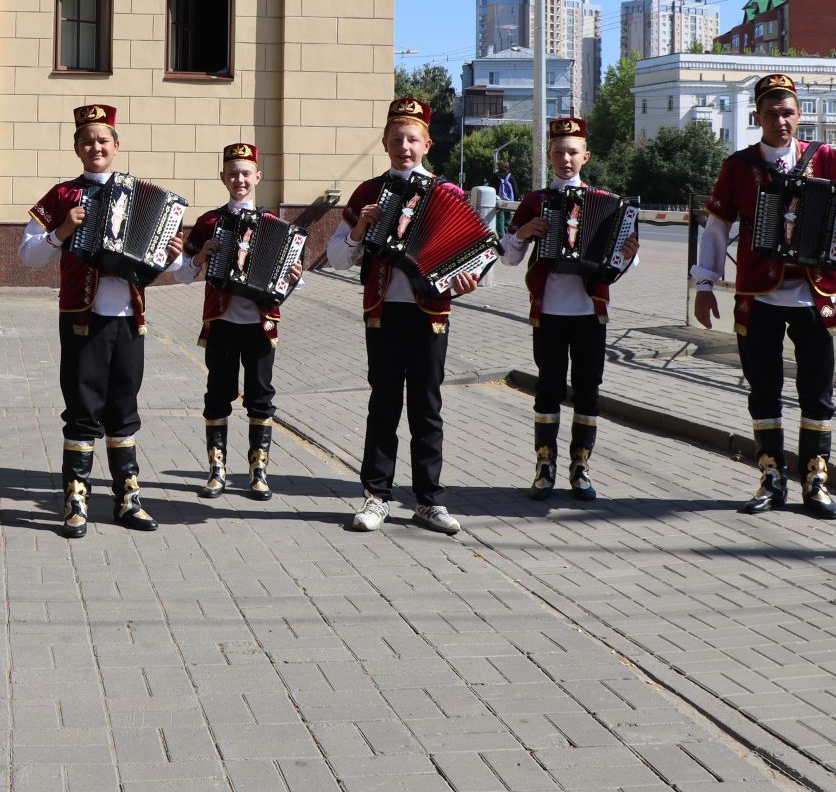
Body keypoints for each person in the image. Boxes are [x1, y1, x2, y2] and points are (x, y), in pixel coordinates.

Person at [692, 74, 836, 520]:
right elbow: (716, 228)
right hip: (759, 293)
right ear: (757, 117)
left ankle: (815, 482)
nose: (781, 120)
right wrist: (703, 285)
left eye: (788, 112)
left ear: (799, 115)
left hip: (813, 294)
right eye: (772, 113)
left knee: (818, 391)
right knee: (764, 390)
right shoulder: (739, 166)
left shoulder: (824, 157)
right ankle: (771, 478)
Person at [19, 104, 185, 539]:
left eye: (103, 140)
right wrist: (61, 231)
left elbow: (170, 262)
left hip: (130, 317)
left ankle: (127, 498)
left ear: (116, 146)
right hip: (81, 316)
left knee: (124, 408)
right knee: (81, 409)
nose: (96, 147)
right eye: (87, 140)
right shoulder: (61, 196)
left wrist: (172, 255)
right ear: (77, 147)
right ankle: (76, 499)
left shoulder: (143, 194)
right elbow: (29, 256)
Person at [325, 97, 482, 536]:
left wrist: (464, 280)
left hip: (430, 313)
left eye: (413, 139)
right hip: (383, 311)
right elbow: (337, 257)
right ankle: (376, 497)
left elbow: (468, 257)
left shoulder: (447, 193)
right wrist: (359, 229)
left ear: (427, 143)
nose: (405, 147)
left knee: (427, 407)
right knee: (384, 404)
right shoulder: (366, 193)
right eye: (397, 139)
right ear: (385, 143)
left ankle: (429, 501)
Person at [498, 117, 638, 501]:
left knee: (589, 390)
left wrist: (627, 256)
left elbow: (623, 261)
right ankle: (545, 466)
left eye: (572, 152)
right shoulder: (535, 201)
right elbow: (510, 258)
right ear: (549, 154)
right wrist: (522, 233)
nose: (565, 159)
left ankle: (581, 467)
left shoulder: (608, 204)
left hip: (591, 312)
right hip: (549, 311)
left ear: (585, 156)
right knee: (548, 387)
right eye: (558, 152)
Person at [169, 142, 304, 501]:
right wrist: (200, 257)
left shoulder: (274, 224)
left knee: (260, 397)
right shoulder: (209, 222)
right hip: (222, 322)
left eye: (246, 173)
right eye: (233, 173)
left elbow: (293, 281)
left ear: (257, 177)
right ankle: (217, 471)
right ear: (222, 178)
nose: (239, 179)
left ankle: (258, 471)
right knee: (218, 395)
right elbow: (182, 274)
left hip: (261, 325)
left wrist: (294, 273)